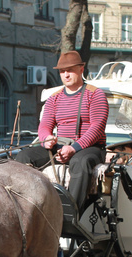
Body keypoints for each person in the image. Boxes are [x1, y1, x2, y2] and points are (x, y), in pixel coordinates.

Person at [16, 50, 109, 210]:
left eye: (70, 70)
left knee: (81, 162)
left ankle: (71, 211)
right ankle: (25, 207)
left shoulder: (95, 95)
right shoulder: (54, 98)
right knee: (24, 156)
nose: (66, 74)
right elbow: (44, 125)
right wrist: (47, 138)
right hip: (61, 146)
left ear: (81, 69)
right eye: (62, 71)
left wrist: (74, 148)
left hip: (89, 148)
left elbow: (97, 127)